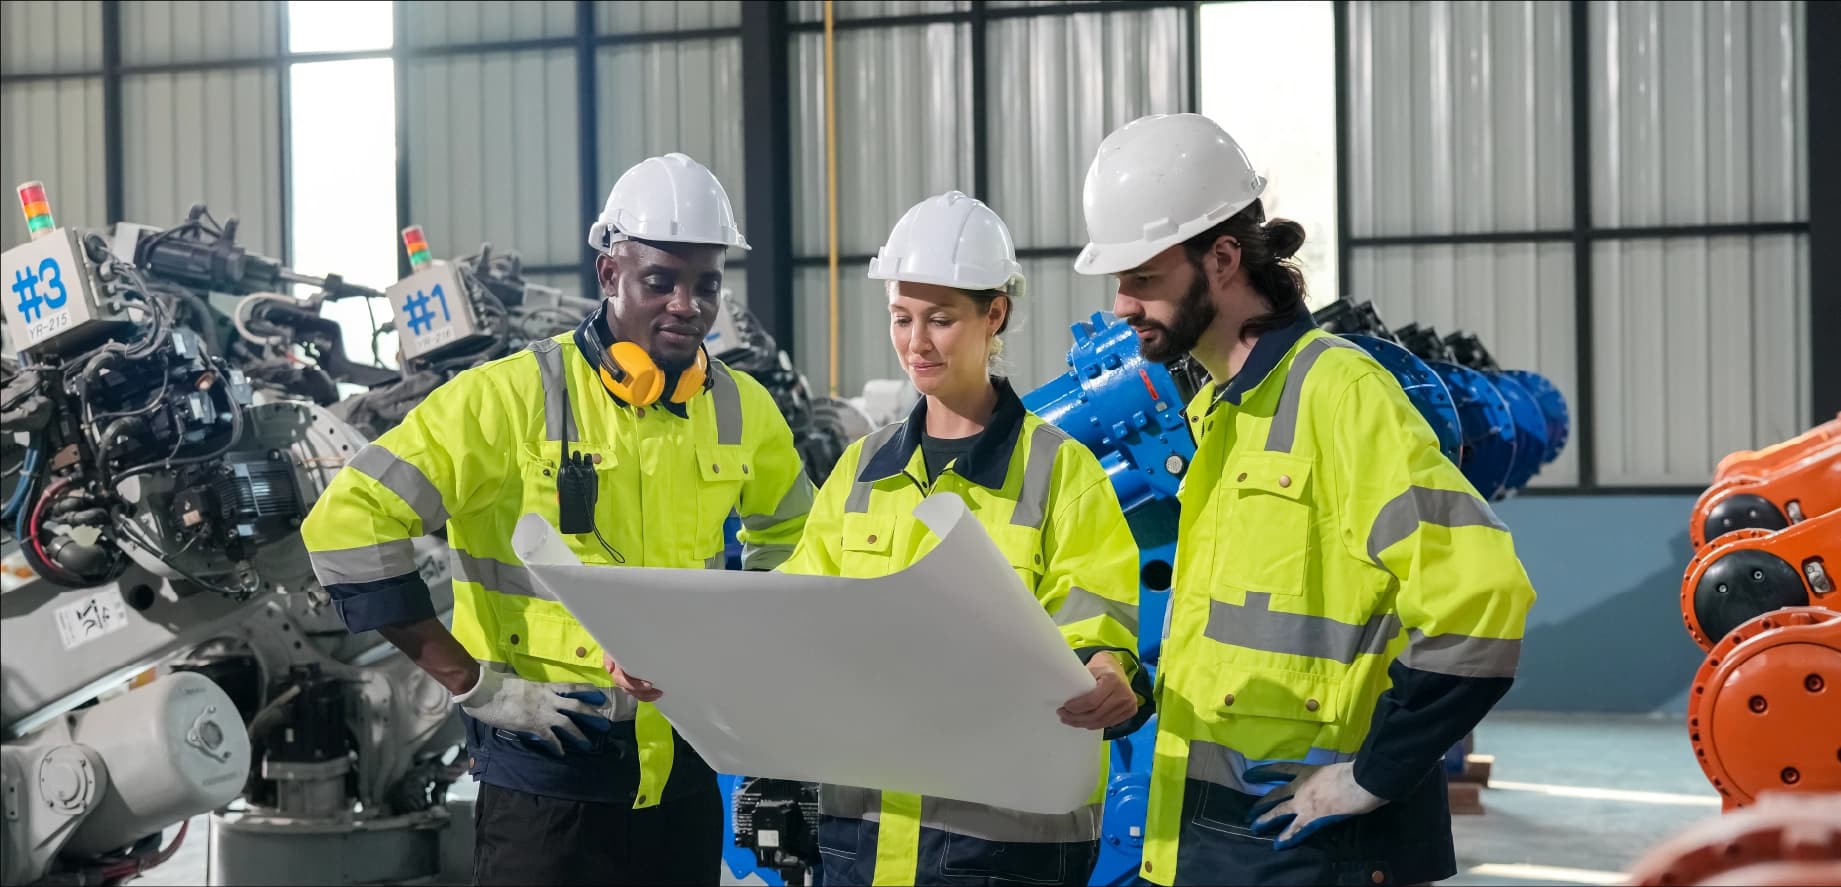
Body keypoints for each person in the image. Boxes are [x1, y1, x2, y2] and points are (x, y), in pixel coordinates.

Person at [300, 152, 815, 886]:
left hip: (686, 778)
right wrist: (472, 684)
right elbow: (346, 522)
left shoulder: (740, 408)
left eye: (706, 283)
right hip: (547, 792)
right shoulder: (505, 401)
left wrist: (739, 652)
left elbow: (796, 541)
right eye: (659, 280)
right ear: (609, 274)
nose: (686, 304)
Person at [1072, 113, 1537, 886]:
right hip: (1208, 834)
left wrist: (1371, 776)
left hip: (1303, 847)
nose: (1123, 304)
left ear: (1221, 258)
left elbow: (1479, 603)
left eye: (1143, 279)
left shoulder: (1338, 395)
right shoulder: (1220, 413)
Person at [775, 190, 1152, 886]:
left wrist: (1108, 672)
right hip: (861, 835)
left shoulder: (1060, 471)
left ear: (994, 313)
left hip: (1002, 843)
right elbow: (793, 614)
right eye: (900, 317)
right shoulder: (859, 470)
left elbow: (1096, 625)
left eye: (940, 319)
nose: (916, 342)